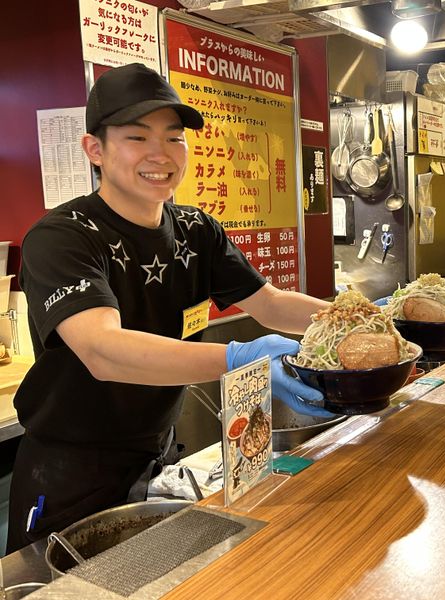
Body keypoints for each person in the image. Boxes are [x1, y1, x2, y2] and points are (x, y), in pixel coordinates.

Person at [6, 63, 331, 553]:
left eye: (174, 138)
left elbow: (269, 304)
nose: (160, 154)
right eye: (137, 137)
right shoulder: (63, 236)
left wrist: (356, 318)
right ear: (95, 149)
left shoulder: (196, 230)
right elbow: (102, 350)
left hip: (157, 454)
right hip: (70, 471)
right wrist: (237, 357)